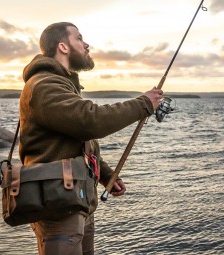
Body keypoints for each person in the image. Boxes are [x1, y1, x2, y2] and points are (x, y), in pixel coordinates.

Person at [19, 22, 163, 255]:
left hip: (75, 201)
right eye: (79, 38)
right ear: (63, 47)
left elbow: (77, 139)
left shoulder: (63, 84)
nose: (86, 45)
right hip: (57, 208)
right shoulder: (44, 85)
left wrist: (105, 174)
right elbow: (90, 121)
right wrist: (144, 104)